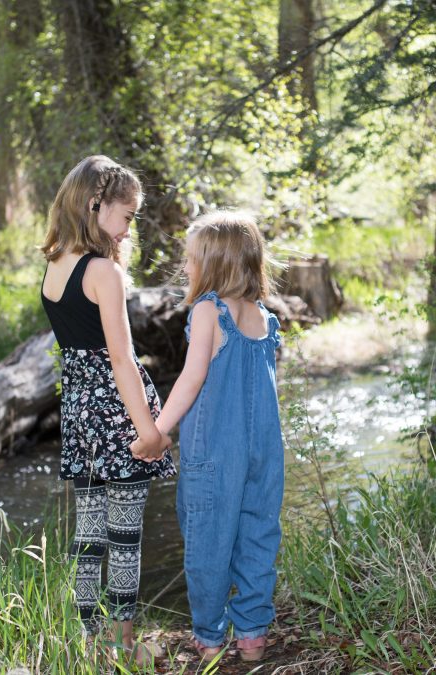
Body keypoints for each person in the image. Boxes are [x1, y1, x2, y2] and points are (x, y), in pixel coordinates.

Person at [131, 210, 285, 662]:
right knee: (258, 536)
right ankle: (253, 636)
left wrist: (157, 432)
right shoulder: (263, 318)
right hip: (263, 454)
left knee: (208, 541)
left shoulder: (207, 310)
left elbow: (191, 379)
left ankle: (209, 637)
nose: (186, 267)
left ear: (215, 265)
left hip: (214, 453)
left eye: (192, 258)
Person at [40, 155, 175, 665]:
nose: (128, 228)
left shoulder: (56, 265)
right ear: (96, 205)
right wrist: (150, 431)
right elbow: (121, 358)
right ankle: (122, 643)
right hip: (118, 417)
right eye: (127, 215)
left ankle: (88, 639)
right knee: (125, 537)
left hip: (79, 415)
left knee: (89, 532)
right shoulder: (104, 273)